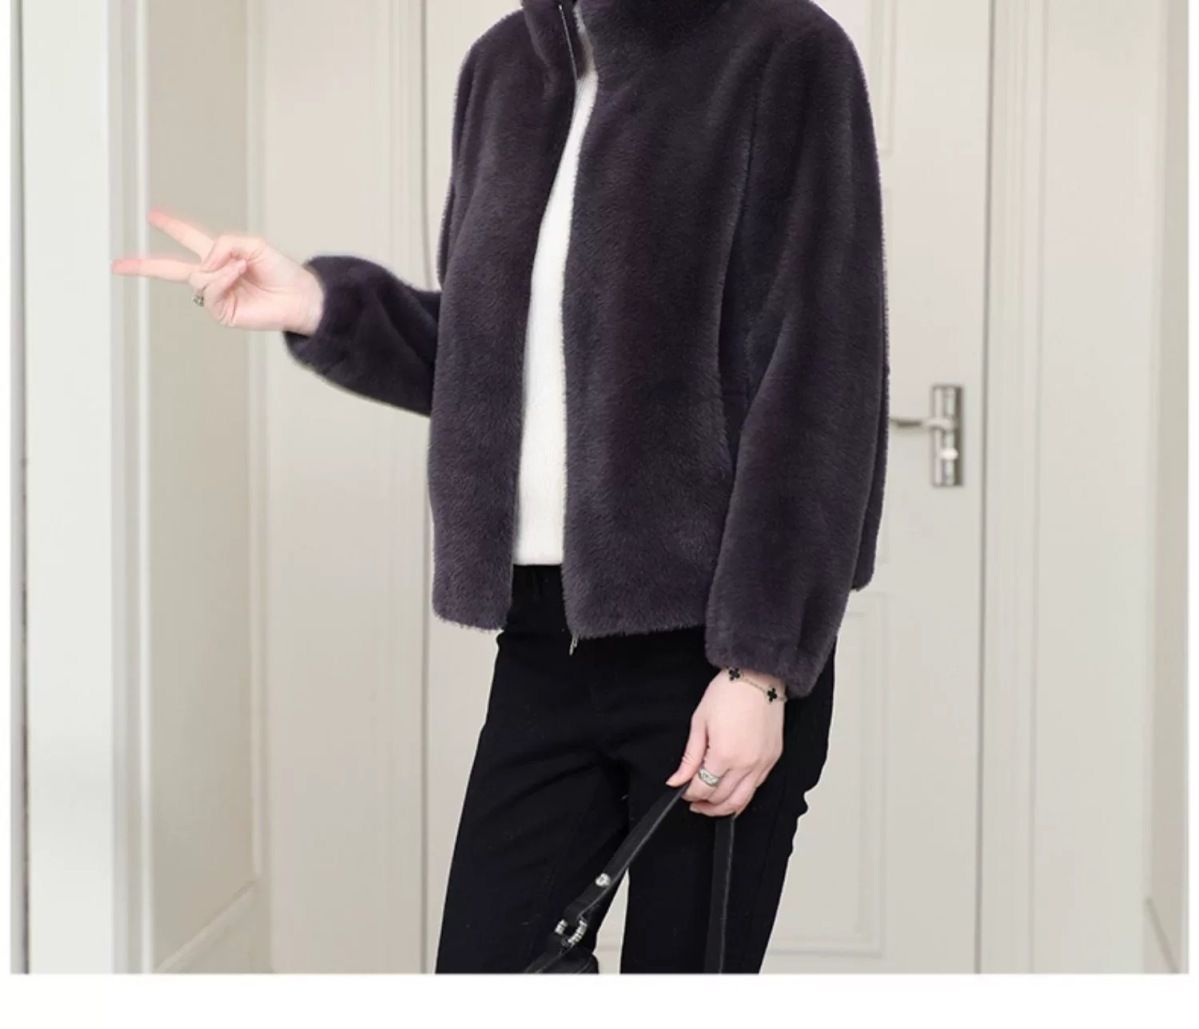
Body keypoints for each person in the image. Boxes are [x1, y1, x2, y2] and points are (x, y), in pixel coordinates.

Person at [113, 0, 888, 973]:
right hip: (542, 636)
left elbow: (819, 375)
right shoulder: (504, 69)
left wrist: (757, 666)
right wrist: (318, 304)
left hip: (710, 644)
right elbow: (493, 363)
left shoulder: (781, 50)